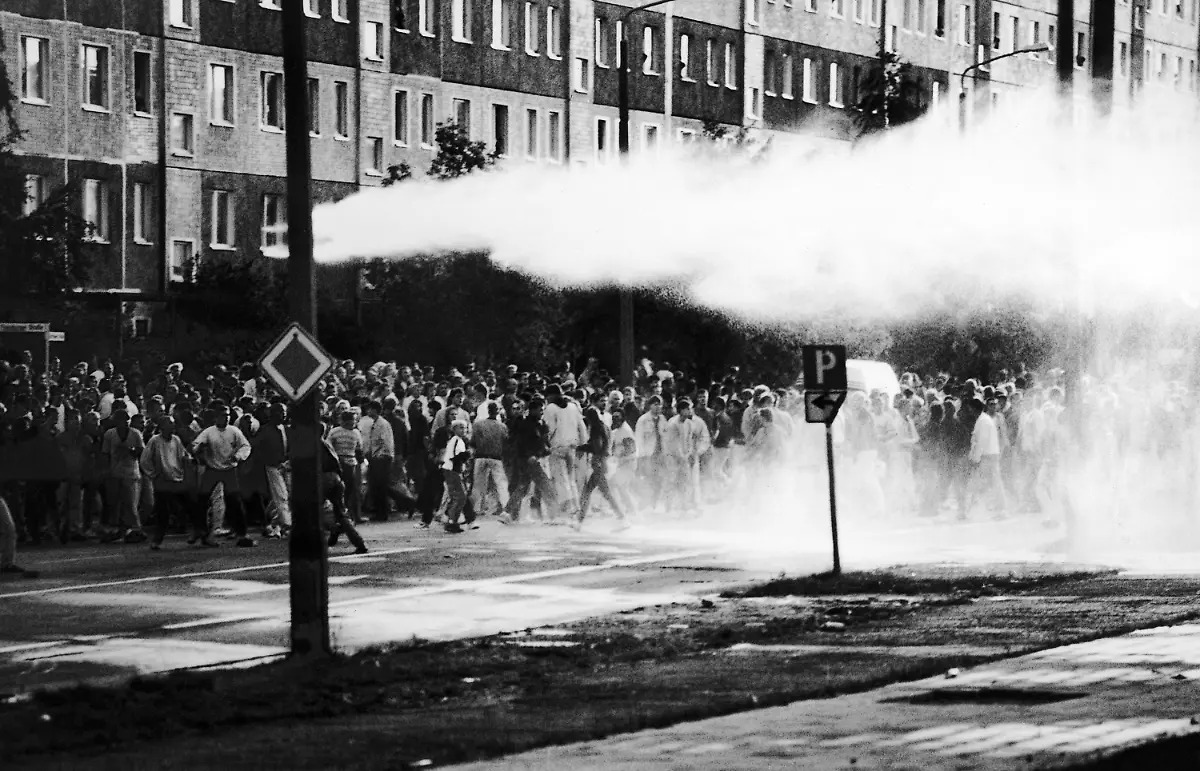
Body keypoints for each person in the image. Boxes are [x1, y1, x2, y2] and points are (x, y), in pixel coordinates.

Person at [191, 402, 255, 547]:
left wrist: (238, 456)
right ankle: (202, 531)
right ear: (216, 417)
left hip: (229, 470)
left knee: (235, 502)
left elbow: (246, 446)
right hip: (212, 469)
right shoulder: (209, 432)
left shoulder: (234, 431)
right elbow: (195, 445)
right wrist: (199, 449)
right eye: (222, 416)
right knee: (202, 500)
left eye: (227, 416)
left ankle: (242, 533)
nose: (225, 418)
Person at [141, 416, 205, 549]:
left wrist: (191, 460)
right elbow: (145, 459)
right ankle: (157, 540)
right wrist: (153, 474)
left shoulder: (176, 439)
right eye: (170, 423)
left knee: (191, 506)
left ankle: (200, 531)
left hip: (177, 479)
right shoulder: (155, 441)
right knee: (162, 512)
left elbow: (183, 455)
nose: (173, 426)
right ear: (162, 426)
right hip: (163, 481)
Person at [100, 407, 148, 543]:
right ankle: (117, 529)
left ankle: (136, 528)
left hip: (131, 472)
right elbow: (105, 453)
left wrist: (130, 450)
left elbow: (142, 452)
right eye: (121, 420)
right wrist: (106, 471)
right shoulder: (110, 434)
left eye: (126, 420)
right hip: (114, 472)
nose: (125, 423)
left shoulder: (135, 434)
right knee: (114, 503)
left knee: (131, 503)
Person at [575, 405, 628, 530]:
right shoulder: (605, 426)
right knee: (591, 491)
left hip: (599, 463)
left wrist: (582, 448)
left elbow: (597, 447)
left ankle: (622, 518)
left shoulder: (596, 428)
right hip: (603, 462)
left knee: (604, 493)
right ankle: (579, 521)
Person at [470, 402, 509, 518]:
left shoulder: (477, 425)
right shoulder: (502, 426)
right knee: (501, 483)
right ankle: (506, 506)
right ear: (497, 411)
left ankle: (476, 508)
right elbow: (506, 442)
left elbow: (473, 442)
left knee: (478, 483)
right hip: (496, 457)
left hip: (480, 456)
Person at [441, 419, 474, 533]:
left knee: (457, 496)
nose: (463, 430)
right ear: (454, 429)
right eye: (460, 427)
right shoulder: (456, 441)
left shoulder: (458, 441)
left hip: (454, 470)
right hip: (452, 470)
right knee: (460, 496)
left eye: (464, 428)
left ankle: (449, 518)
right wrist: (467, 455)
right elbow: (455, 457)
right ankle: (451, 521)